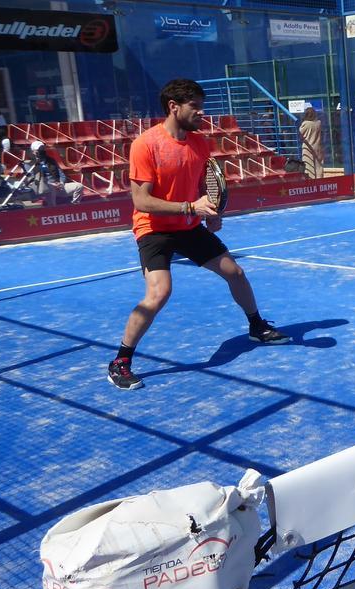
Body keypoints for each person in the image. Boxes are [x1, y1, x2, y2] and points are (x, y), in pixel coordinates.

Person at [107, 78, 290, 391]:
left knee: (236, 272)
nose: (201, 112)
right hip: (154, 229)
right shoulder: (146, 145)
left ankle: (256, 326)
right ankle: (120, 361)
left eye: (201, 106)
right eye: (195, 106)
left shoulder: (200, 142)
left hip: (190, 225)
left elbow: (205, 183)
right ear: (173, 107)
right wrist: (191, 208)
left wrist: (211, 215)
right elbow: (141, 201)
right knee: (159, 293)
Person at [21, 140, 83, 205]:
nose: (41, 151)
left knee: (79, 186)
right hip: (43, 188)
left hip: (58, 186)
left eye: (42, 149)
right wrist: (50, 184)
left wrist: (61, 183)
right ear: (33, 152)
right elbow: (32, 180)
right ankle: (52, 210)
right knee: (50, 188)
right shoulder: (29, 163)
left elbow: (61, 174)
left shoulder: (51, 160)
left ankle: (74, 205)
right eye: (39, 150)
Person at [298, 105, 325, 179]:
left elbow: (300, 134)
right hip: (318, 146)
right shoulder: (319, 123)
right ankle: (320, 181)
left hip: (308, 148)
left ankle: (311, 181)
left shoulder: (305, 124)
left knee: (308, 166)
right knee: (319, 166)